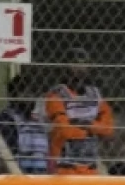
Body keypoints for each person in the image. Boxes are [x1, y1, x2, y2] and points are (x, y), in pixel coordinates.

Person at [39, 47, 115, 175]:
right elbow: (65, 131)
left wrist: (86, 124)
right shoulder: (56, 95)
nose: (80, 68)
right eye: (75, 63)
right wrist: (93, 128)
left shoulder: (95, 94)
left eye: (84, 63)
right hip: (63, 167)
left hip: (90, 168)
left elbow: (108, 130)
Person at [0, 73, 50, 174]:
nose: (30, 98)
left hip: (40, 177)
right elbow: (6, 154)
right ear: (13, 96)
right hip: (17, 176)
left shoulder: (38, 122)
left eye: (32, 93)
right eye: (25, 93)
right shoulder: (6, 119)